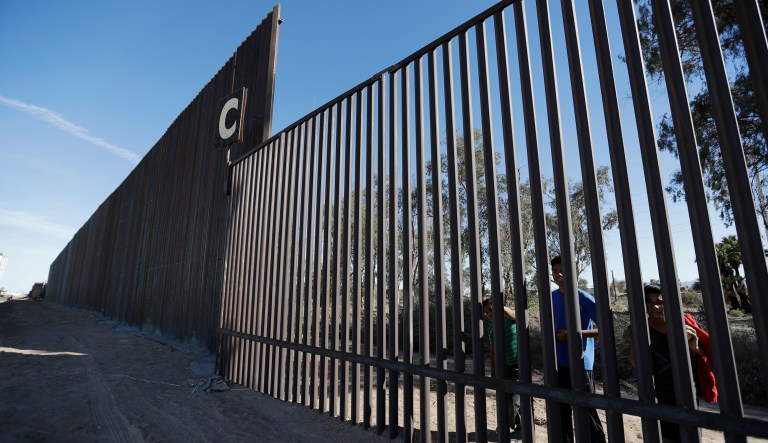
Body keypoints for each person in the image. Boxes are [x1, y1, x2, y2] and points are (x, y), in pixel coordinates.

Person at [624, 285, 718, 441]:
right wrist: (632, 345)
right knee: (667, 436)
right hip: (658, 392)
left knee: (691, 434)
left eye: (659, 302)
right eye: (649, 302)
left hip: (687, 388)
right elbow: (636, 363)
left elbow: (706, 357)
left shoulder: (685, 324)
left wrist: (694, 347)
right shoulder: (638, 328)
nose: (655, 306)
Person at [550, 256, 606, 443]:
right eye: (555, 270)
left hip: (582, 363)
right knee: (561, 410)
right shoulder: (552, 297)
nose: (558, 274)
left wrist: (574, 334)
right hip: (558, 362)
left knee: (586, 409)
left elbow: (603, 329)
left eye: (562, 270)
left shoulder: (584, 297)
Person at [483, 297, 522, 439]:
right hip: (503, 367)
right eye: (486, 312)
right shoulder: (491, 328)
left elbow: (515, 315)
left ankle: (520, 430)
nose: (489, 314)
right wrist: (493, 372)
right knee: (504, 398)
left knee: (516, 398)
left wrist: (500, 307)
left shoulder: (507, 318)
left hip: (518, 364)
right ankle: (505, 425)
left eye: (491, 310)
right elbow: (493, 351)